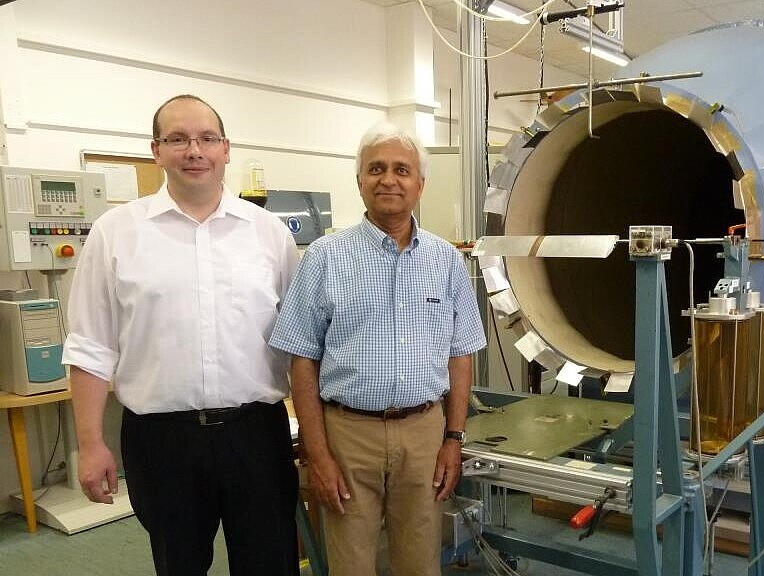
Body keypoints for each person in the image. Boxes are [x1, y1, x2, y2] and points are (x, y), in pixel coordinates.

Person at [63, 94, 300, 576]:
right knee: (178, 563)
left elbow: (299, 343)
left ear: (226, 149)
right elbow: (90, 346)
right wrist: (90, 443)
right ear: (156, 150)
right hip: (161, 441)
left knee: (270, 563)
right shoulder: (115, 233)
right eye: (177, 139)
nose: (194, 150)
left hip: (256, 435)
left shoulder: (269, 234)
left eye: (207, 138)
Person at [269, 122, 486, 575]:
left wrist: (453, 438)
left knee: (421, 561)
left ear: (420, 184)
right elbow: (301, 360)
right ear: (360, 181)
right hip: (348, 435)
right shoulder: (326, 258)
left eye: (402, 169)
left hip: (425, 431)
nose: (389, 179)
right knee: (350, 564)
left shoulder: (446, 260)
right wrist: (318, 452)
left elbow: (461, 354)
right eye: (377, 169)